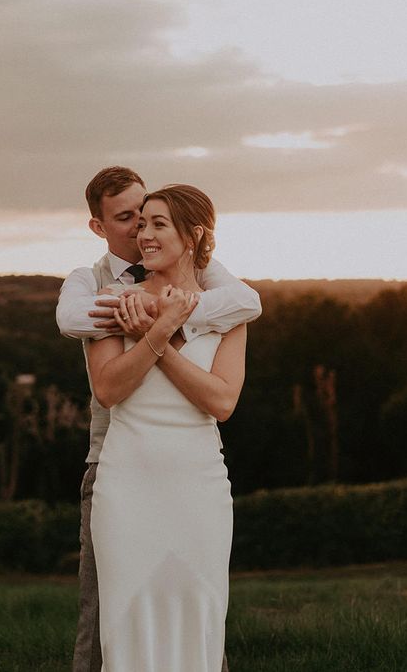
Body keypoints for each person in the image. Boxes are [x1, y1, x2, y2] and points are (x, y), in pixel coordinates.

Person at [56, 167, 260, 672]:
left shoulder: (227, 305)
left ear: (193, 237)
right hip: (122, 478)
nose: (142, 234)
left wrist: (165, 331)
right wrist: (155, 321)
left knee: (200, 620)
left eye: (154, 222)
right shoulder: (106, 298)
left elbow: (223, 402)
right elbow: (108, 389)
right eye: (132, 221)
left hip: (199, 485)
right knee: (115, 624)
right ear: (100, 226)